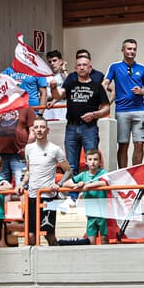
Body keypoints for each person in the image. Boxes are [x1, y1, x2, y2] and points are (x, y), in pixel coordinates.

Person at [21, 117, 69, 246]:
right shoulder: (29, 148)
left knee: (49, 234)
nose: (39, 130)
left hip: (48, 198)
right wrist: (22, 184)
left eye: (42, 127)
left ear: (47, 130)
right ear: (33, 130)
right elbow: (28, 171)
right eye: (36, 127)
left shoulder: (55, 149)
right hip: (32, 197)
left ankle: (56, 259)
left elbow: (68, 171)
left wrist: (58, 184)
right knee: (31, 235)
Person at [105, 40, 144, 168]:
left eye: (134, 49)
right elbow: (106, 82)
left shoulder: (142, 69)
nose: (132, 52)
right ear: (123, 50)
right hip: (122, 111)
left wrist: (141, 91)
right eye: (129, 49)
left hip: (139, 111)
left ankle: (136, 176)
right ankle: (124, 175)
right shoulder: (115, 67)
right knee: (123, 144)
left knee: (139, 144)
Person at [62, 52, 111, 174]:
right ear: (75, 68)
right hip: (71, 127)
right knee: (71, 165)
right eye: (79, 65)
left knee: (93, 163)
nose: (82, 67)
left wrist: (94, 114)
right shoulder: (70, 84)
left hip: (89, 128)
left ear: (90, 68)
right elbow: (59, 95)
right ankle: (72, 193)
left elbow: (106, 108)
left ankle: (92, 192)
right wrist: (52, 88)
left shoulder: (97, 86)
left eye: (85, 65)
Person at [67, 149, 110, 243]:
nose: (93, 162)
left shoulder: (104, 172)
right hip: (90, 213)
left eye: (95, 159)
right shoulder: (83, 175)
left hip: (104, 212)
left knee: (104, 239)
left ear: (99, 161)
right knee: (91, 240)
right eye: (90, 159)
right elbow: (66, 183)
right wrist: (77, 185)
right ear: (86, 162)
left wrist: (89, 186)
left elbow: (105, 182)